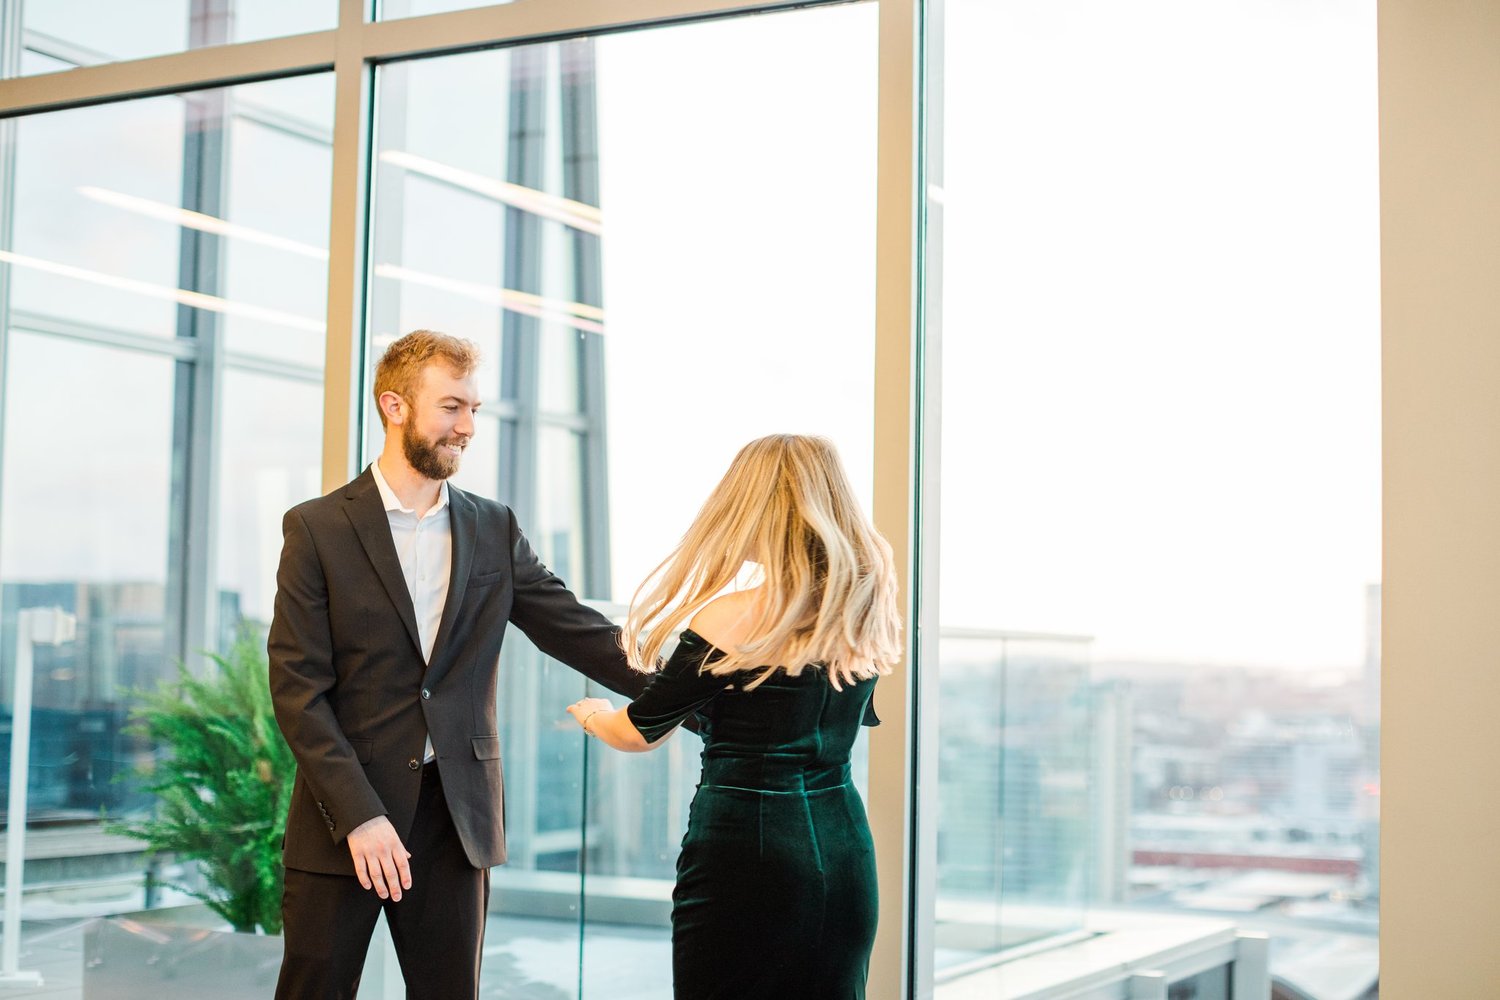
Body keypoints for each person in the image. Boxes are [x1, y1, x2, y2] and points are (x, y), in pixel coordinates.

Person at [268, 329, 647, 1000]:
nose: (468, 426)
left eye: (474, 408)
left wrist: (697, 695)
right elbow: (299, 690)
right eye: (452, 407)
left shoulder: (492, 527)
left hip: (456, 822)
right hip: (341, 821)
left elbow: (578, 632)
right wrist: (360, 816)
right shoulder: (317, 528)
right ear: (394, 406)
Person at [565, 433, 902, 999]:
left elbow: (639, 731)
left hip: (748, 849)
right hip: (844, 846)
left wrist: (594, 713)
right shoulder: (859, 610)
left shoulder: (734, 617)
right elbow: (795, 713)